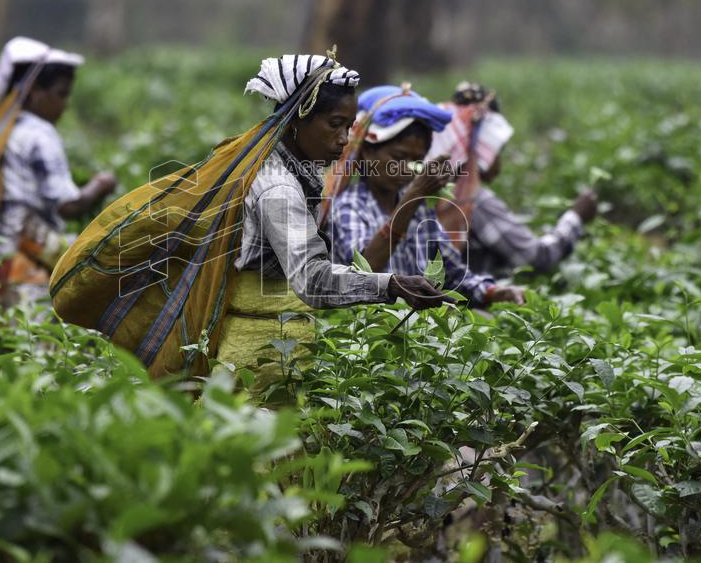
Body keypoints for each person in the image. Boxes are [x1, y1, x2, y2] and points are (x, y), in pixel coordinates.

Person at [49, 53, 451, 382]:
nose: (344, 139)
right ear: (297, 119)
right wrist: (393, 285)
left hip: (276, 340)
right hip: (260, 350)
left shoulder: (294, 170)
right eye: (334, 125)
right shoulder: (278, 187)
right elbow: (312, 280)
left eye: (349, 126)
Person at [0, 37, 116, 306]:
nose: (65, 105)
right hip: (28, 257)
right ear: (34, 91)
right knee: (36, 336)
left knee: (6, 335)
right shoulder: (39, 134)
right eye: (61, 94)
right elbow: (68, 205)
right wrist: (100, 185)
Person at [330, 85, 524, 307]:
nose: (406, 168)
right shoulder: (349, 206)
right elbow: (363, 273)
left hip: (416, 331)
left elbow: (452, 272)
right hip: (366, 333)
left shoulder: (419, 208)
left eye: (416, 160)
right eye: (398, 157)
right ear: (367, 152)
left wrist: (493, 292)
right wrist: (412, 198)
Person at [428, 81, 597, 277]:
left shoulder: (431, 192)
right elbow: (536, 257)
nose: (499, 163)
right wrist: (576, 217)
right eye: (497, 153)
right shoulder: (474, 201)